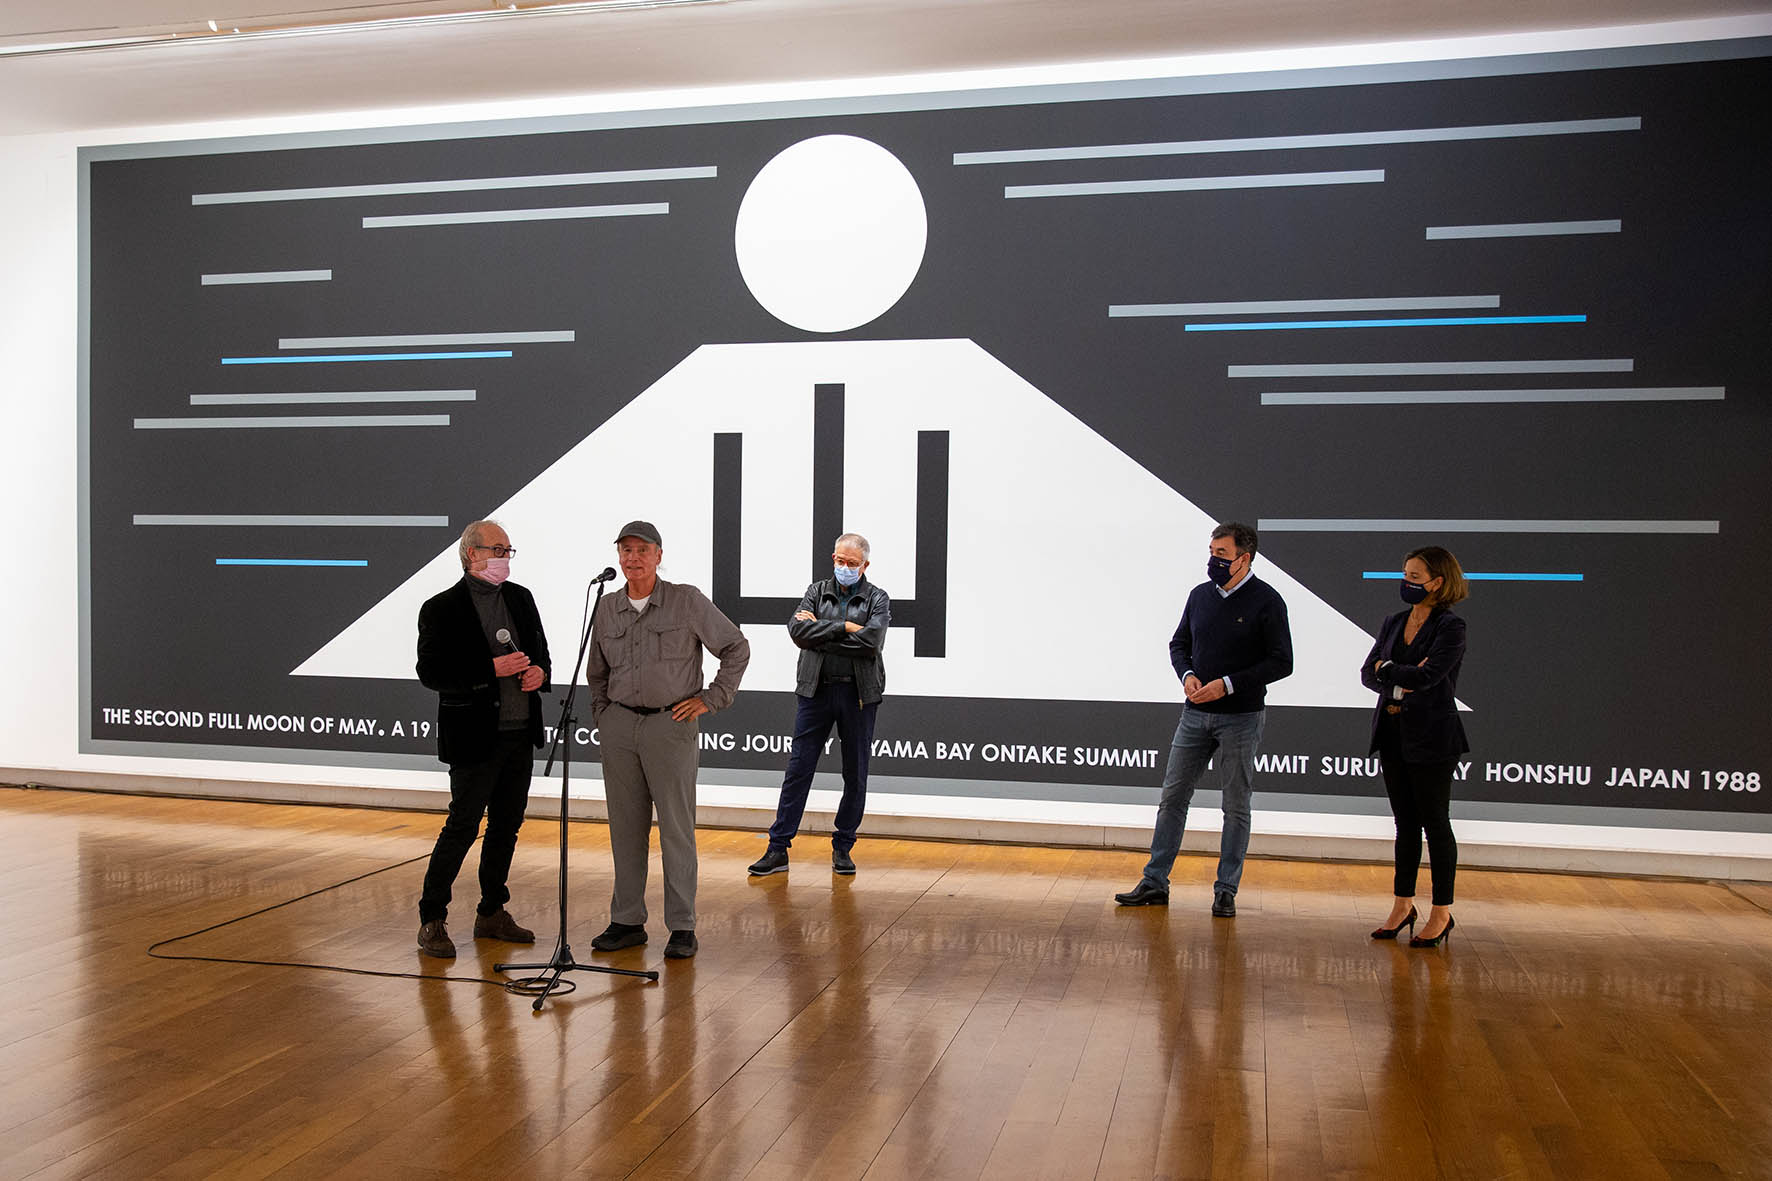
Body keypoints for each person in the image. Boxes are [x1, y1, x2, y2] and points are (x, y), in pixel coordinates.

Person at [585, 521, 750, 960]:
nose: (633, 558)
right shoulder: (606, 607)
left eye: (642, 550)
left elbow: (736, 647)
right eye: (626, 550)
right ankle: (626, 921)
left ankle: (681, 926)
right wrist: (603, 715)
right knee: (625, 828)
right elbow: (597, 672)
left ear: (659, 555)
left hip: (670, 726)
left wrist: (711, 699)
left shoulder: (686, 601)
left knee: (676, 829)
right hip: (620, 728)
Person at [1116, 522, 1293, 916]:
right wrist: (1187, 675)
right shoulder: (1199, 595)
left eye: (1222, 554)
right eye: (1212, 552)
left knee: (1235, 805)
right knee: (1173, 798)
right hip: (1194, 714)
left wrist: (1227, 685)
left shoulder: (1268, 600)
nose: (1213, 561)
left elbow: (1282, 662)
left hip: (1241, 718)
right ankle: (1154, 882)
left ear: (1244, 558)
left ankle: (1226, 889)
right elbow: (1179, 643)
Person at [414, 520, 551, 958]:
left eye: (508, 550)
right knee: (462, 827)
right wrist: (490, 670)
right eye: (498, 549)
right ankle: (432, 918)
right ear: (472, 554)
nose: (505, 558)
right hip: (474, 739)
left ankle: (491, 911)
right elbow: (431, 673)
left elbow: (541, 653)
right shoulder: (441, 608)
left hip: (519, 733)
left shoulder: (520, 598)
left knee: (506, 827)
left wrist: (539, 673)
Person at [748, 533, 890, 878]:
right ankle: (778, 848)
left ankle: (843, 846)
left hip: (858, 695)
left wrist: (822, 635)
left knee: (855, 773)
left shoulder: (877, 598)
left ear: (865, 565)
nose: (844, 567)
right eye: (840, 560)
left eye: (852, 563)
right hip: (815, 692)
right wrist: (845, 627)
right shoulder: (816, 591)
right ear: (833, 558)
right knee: (798, 770)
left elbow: (871, 642)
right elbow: (798, 633)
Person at [1361, 546, 1469, 948]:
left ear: (1437, 582)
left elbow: (1430, 677)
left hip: (1433, 738)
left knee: (1435, 823)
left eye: (1414, 576)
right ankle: (1402, 905)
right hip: (1392, 733)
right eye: (1405, 574)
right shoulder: (1393, 622)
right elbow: (1367, 673)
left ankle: (1442, 912)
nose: (1406, 582)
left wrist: (1388, 671)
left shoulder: (1450, 627)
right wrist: (1397, 676)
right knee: (1404, 824)